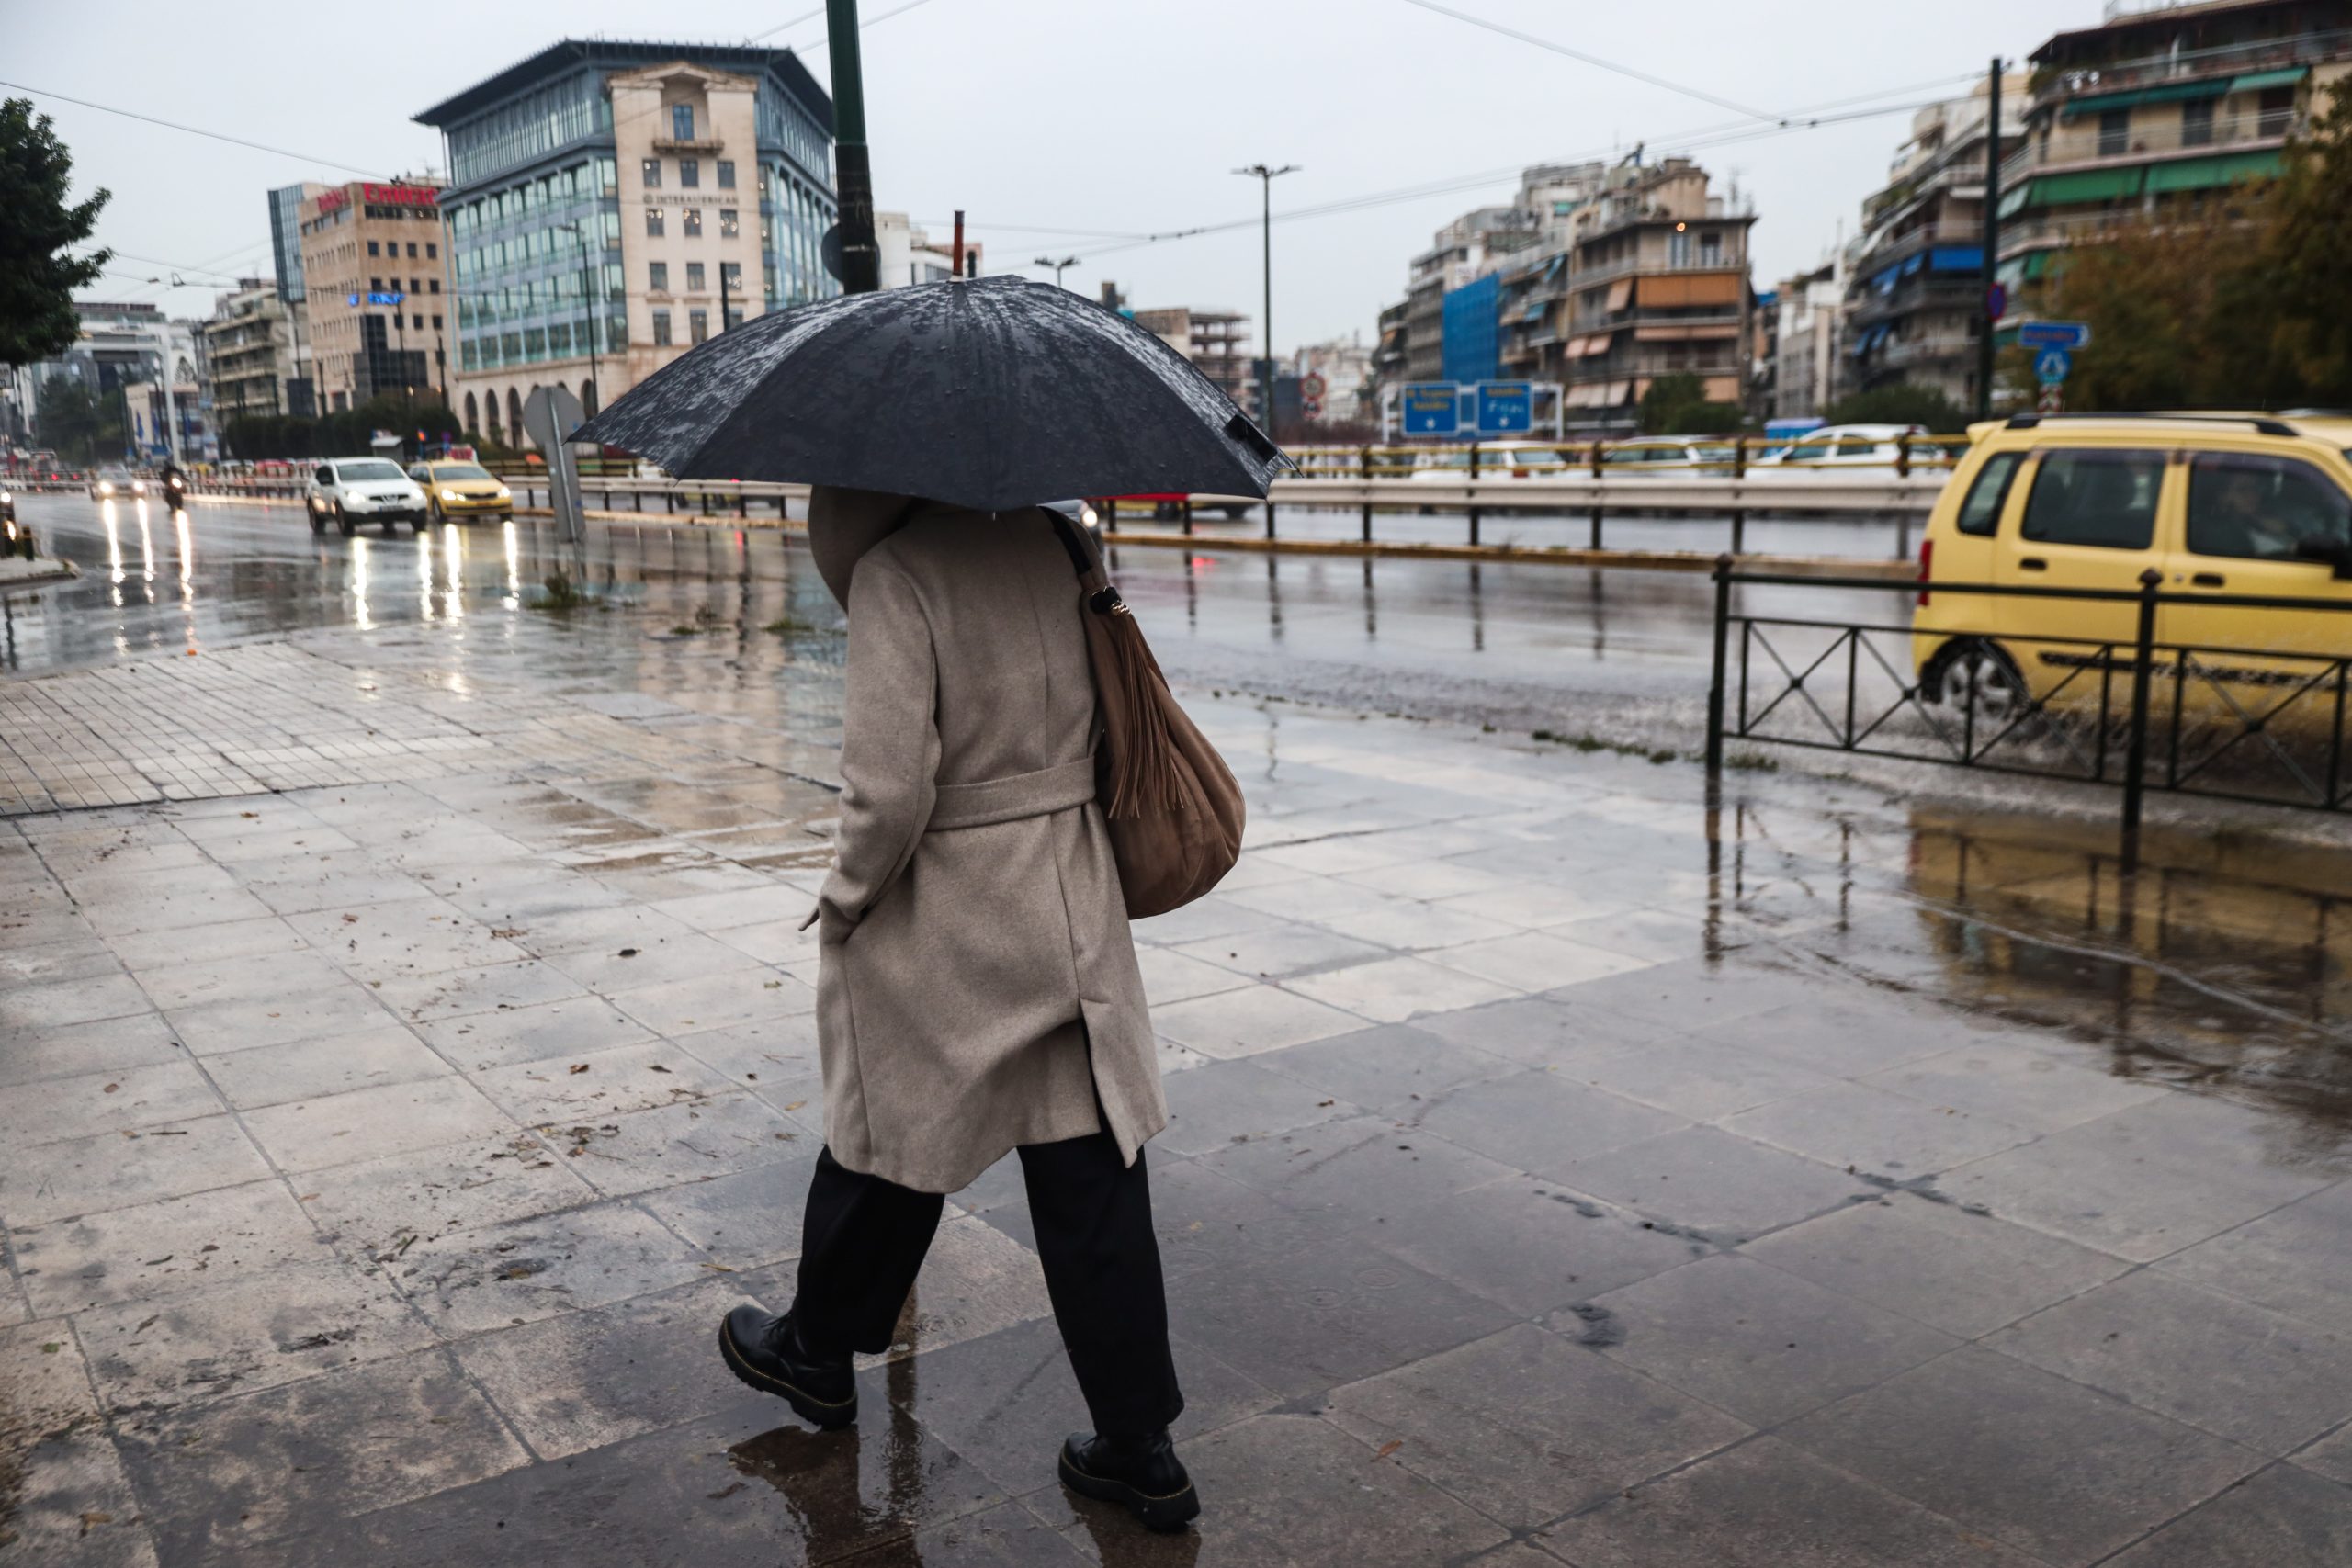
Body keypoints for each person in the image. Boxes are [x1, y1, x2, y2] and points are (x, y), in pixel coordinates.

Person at [718, 487, 1197, 1533]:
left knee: (894, 1136)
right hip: (1068, 892)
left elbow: (888, 794)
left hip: (956, 907)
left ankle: (816, 1352)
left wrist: (843, 903)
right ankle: (1140, 1449)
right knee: (1092, 1177)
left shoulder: (899, 577)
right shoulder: (1061, 538)